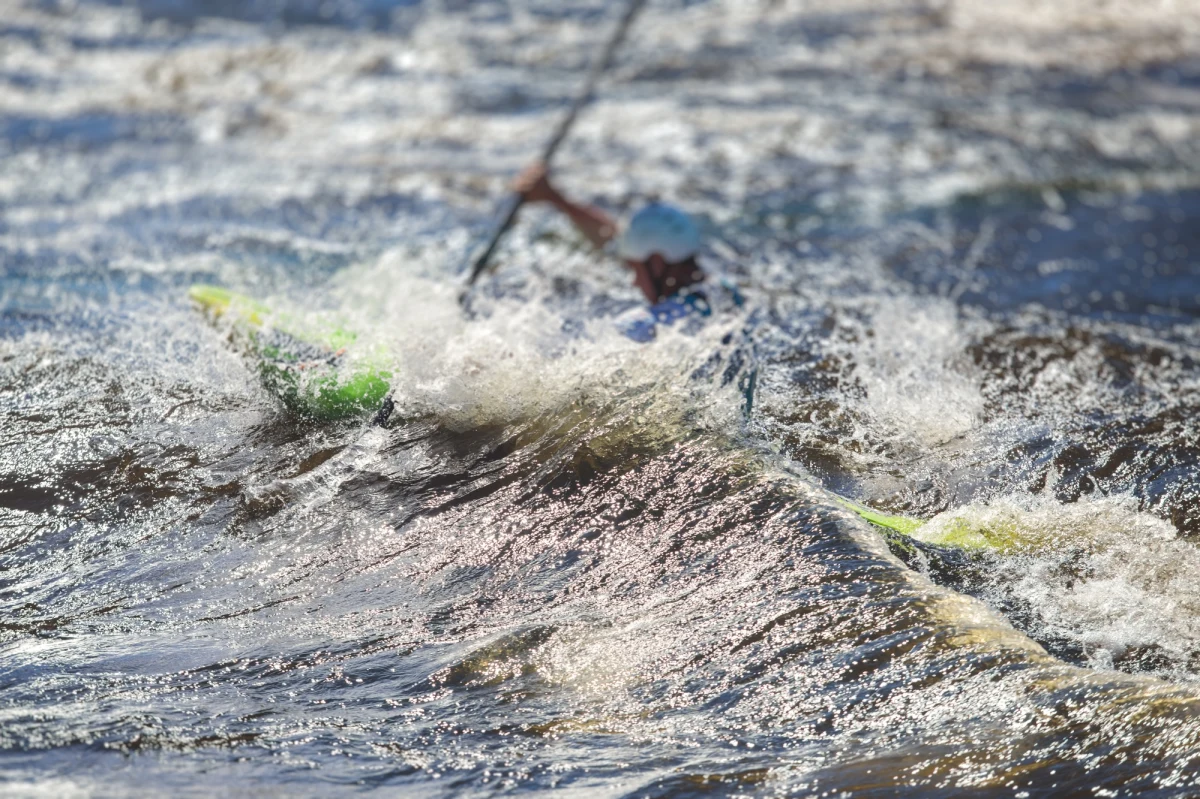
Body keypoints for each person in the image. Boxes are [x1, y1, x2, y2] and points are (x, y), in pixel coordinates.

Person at [512, 163, 708, 311]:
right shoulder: (715, 289)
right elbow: (613, 239)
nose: (634, 282)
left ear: (656, 263)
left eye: (634, 269)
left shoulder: (660, 325)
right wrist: (554, 198)